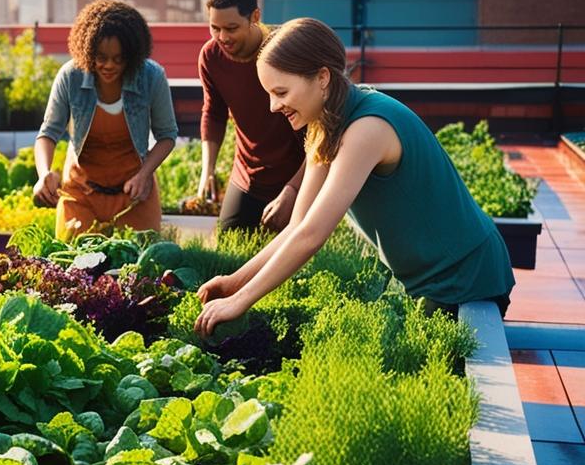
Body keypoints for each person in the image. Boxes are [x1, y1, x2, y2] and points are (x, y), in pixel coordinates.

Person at [195, 18, 514, 336]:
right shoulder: (325, 123)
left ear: (322, 78)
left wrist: (241, 301)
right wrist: (234, 282)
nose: (273, 106)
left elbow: (312, 237)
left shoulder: (366, 129)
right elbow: (298, 225)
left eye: (280, 92)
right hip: (428, 280)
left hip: (463, 277)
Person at [33, 0, 177, 238]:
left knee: (140, 270)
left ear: (132, 55)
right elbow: (48, 133)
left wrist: (144, 175)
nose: (109, 65)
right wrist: (44, 173)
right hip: (81, 194)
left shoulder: (152, 77)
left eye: (119, 59)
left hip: (135, 195)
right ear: (87, 50)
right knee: (75, 270)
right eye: (101, 57)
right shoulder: (70, 76)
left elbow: (167, 135)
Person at [197, 0, 307, 232]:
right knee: (228, 248)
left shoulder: (286, 50)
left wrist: (293, 190)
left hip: (297, 173)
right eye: (215, 28)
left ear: (255, 16)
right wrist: (208, 170)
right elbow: (213, 113)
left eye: (232, 28)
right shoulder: (210, 56)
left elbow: (318, 130)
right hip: (247, 175)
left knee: (291, 257)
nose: (222, 37)